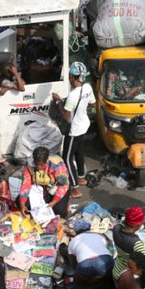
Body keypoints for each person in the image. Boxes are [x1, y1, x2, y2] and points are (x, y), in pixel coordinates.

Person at [52, 61, 96, 198]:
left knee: (67, 157)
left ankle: (75, 189)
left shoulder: (72, 95)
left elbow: (66, 116)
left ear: (72, 77)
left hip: (74, 129)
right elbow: (93, 104)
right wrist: (81, 107)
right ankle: (81, 177)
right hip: (84, 125)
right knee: (79, 151)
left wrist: (59, 102)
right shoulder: (88, 88)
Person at [69, 219, 114, 289]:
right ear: (89, 228)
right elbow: (106, 249)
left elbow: (73, 265)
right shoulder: (98, 236)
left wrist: (84, 277)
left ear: (76, 231)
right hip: (106, 261)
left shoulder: (73, 241)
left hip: (86, 265)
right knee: (106, 283)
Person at [18, 146, 71, 216]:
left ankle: (64, 205)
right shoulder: (29, 165)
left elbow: (64, 185)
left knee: (58, 211)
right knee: (22, 203)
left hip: (58, 187)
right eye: (37, 164)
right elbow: (26, 184)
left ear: (46, 161)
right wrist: (22, 203)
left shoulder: (57, 164)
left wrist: (53, 202)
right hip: (41, 188)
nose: (39, 167)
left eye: (42, 165)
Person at [112, 206, 145, 281]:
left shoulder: (116, 228)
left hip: (116, 270)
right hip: (126, 276)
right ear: (138, 225)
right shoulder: (137, 244)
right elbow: (143, 265)